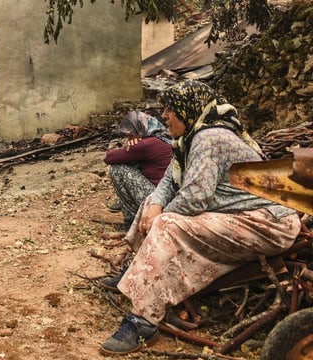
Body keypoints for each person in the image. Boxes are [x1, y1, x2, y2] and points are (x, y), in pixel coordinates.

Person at [99, 80, 302, 355]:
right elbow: (170, 180)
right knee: (152, 204)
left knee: (167, 224)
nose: (164, 116)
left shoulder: (209, 139)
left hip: (267, 223)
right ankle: (139, 270)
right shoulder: (189, 138)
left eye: (170, 109)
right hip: (239, 215)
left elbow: (195, 198)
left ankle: (143, 321)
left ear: (189, 108)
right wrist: (156, 204)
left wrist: (161, 216)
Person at [103, 111, 173, 231]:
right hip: (167, 195)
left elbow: (108, 157)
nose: (129, 140)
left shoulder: (146, 145)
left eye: (131, 136)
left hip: (158, 199)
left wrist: (128, 147)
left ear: (140, 130)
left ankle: (130, 221)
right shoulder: (162, 138)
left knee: (118, 169)